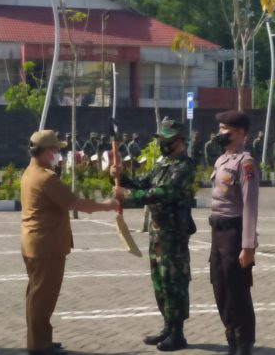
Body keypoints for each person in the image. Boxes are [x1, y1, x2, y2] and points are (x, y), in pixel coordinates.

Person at [21, 130, 116, 355]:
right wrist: (106, 205)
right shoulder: (46, 177)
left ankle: (40, 339)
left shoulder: (30, 172)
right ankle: (39, 345)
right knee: (43, 297)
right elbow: (75, 203)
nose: (57, 153)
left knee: (37, 294)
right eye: (55, 150)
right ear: (45, 152)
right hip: (47, 245)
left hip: (35, 242)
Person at [111, 117, 197, 352]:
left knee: (174, 282)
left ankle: (178, 333)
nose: (162, 143)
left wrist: (125, 193)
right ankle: (167, 326)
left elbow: (163, 192)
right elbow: (144, 183)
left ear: (179, 141)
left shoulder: (184, 165)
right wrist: (121, 177)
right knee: (159, 282)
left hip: (174, 235)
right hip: (158, 233)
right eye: (161, 139)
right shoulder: (162, 163)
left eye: (166, 139)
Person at [208, 111, 259, 355]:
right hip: (217, 232)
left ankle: (244, 340)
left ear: (240, 133)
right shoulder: (221, 160)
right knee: (220, 286)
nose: (220, 133)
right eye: (220, 128)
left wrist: (248, 245)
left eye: (225, 129)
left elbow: (250, 205)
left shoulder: (245, 162)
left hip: (234, 232)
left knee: (237, 288)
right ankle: (231, 335)